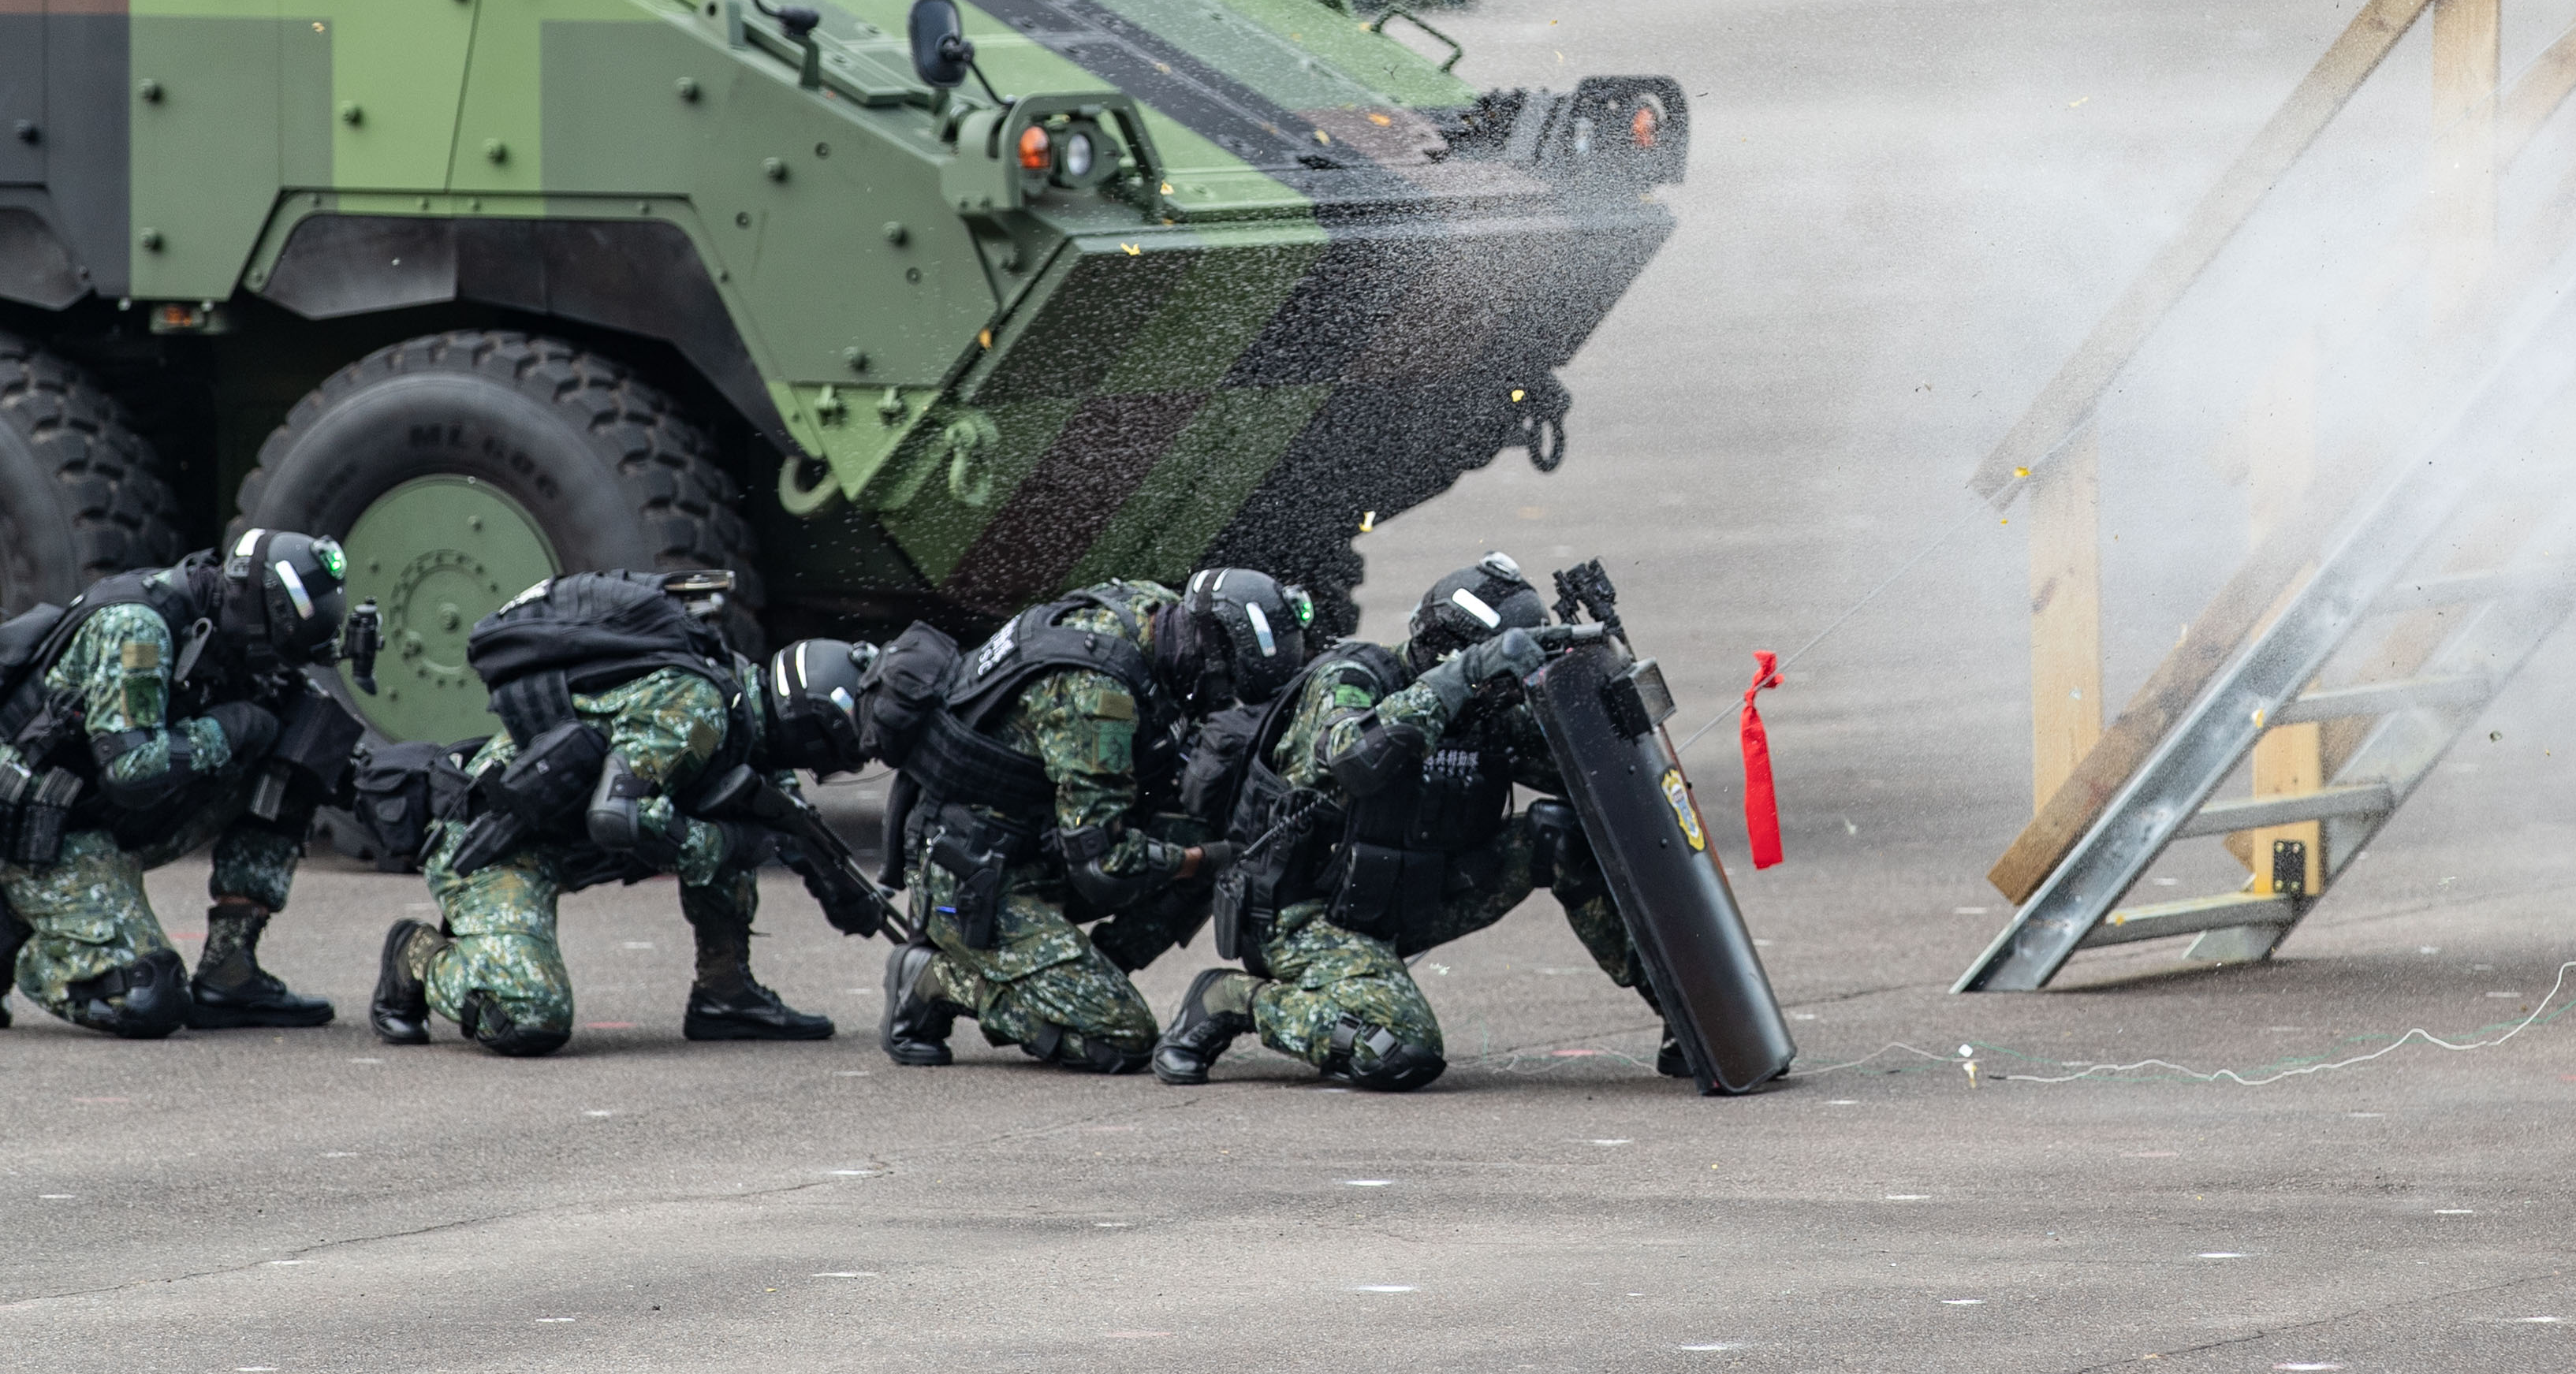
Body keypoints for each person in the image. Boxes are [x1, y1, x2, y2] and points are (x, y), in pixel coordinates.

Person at [1155, 554, 1652, 1091]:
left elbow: (1593, 777)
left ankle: (1675, 1002)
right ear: (1457, 651)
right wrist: (1462, 678)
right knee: (1400, 1049)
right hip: (1304, 913)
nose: (1513, 688)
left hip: (1406, 897)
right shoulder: (1350, 679)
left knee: (1561, 835)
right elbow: (1354, 758)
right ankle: (1232, 999)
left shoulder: (1488, 711)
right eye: (1502, 669)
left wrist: (1604, 679)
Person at [370, 574, 867, 1055]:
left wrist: (837, 887)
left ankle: (725, 992)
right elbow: (619, 817)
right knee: (531, 1015)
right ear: (808, 730)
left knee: (741, 810)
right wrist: (731, 843)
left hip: (558, 833)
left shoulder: (743, 714)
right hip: (493, 848)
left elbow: (787, 817)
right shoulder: (699, 707)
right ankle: (415, 956)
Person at [879, 569, 1313, 1073]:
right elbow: (1105, 865)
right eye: (1228, 683)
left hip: (1027, 843)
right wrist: (1205, 860)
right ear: (1211, 650)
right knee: (1123, 1038)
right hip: (976, 882)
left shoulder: (1154, 612)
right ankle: (931, 979)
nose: (1224, 698)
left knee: (1218, 848)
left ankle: (1086, 979)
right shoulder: (1098, 701)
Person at [0, 531, 357, 1035]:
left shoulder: (226, 631)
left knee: (297, 753)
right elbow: (131, 773)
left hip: (96, 813)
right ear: (266, 615)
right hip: (40, 835)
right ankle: (18, 938)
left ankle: (230, 973)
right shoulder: (138, 629)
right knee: (147, 996)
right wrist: (230, 728)